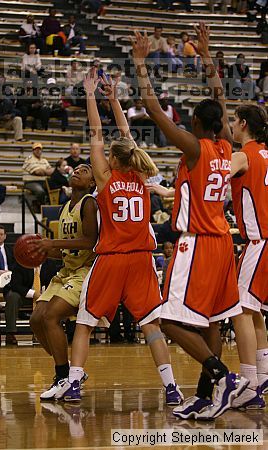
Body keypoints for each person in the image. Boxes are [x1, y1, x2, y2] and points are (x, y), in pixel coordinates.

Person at [132, 25, 248, 420]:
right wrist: (208, 56)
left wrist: (140, 65)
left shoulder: (196, 148)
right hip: (222, 243)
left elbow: (152, 110)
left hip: (197, 242)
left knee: (165, 319)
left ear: (197, 123)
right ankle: (204, 395)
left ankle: (221, 376)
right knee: (212, 320)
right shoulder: (226, 146)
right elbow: (221, 98)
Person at [55, 69, 183, 406]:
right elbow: (125, 136)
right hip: (141, 259)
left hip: (111, 259)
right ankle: (171, 387)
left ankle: (74, 384)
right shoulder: (140, 175)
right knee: (151, 325)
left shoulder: (104, 178)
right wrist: (114, 100)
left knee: (84, 324)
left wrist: (90, 94)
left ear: (112, 158)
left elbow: (96, 131)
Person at [29, 163, 97, 400]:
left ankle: (62, 377)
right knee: (36, 319)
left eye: (85, 170)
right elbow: (65, 251)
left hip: (86, 272)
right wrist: (42, 250)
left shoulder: (89, 203)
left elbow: (90, 242)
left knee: (51, 316)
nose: (77, 171)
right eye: (76, 168)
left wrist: (53, 244)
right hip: (67, 271)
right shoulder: (65, 207)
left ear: (92, 182)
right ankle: (69, 369)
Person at [228, 104, 268, 408]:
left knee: (240, 309)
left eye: (233, 121)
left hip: (260, 241)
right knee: (253, 310)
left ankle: (250, 384)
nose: (230, 125)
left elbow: (212, 177)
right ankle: (264, 374)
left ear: (242, 124)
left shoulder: (243, 155)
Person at [3, 260, 58, 345]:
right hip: (23, 294)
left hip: (43, 294)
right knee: (12, 297)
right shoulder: (22, 262)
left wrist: (44, 295)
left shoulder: (50, 264)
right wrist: (33, 294)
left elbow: (53, 284)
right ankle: (10, 333)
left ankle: (40, 334)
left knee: (52, 299)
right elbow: (15, 285)